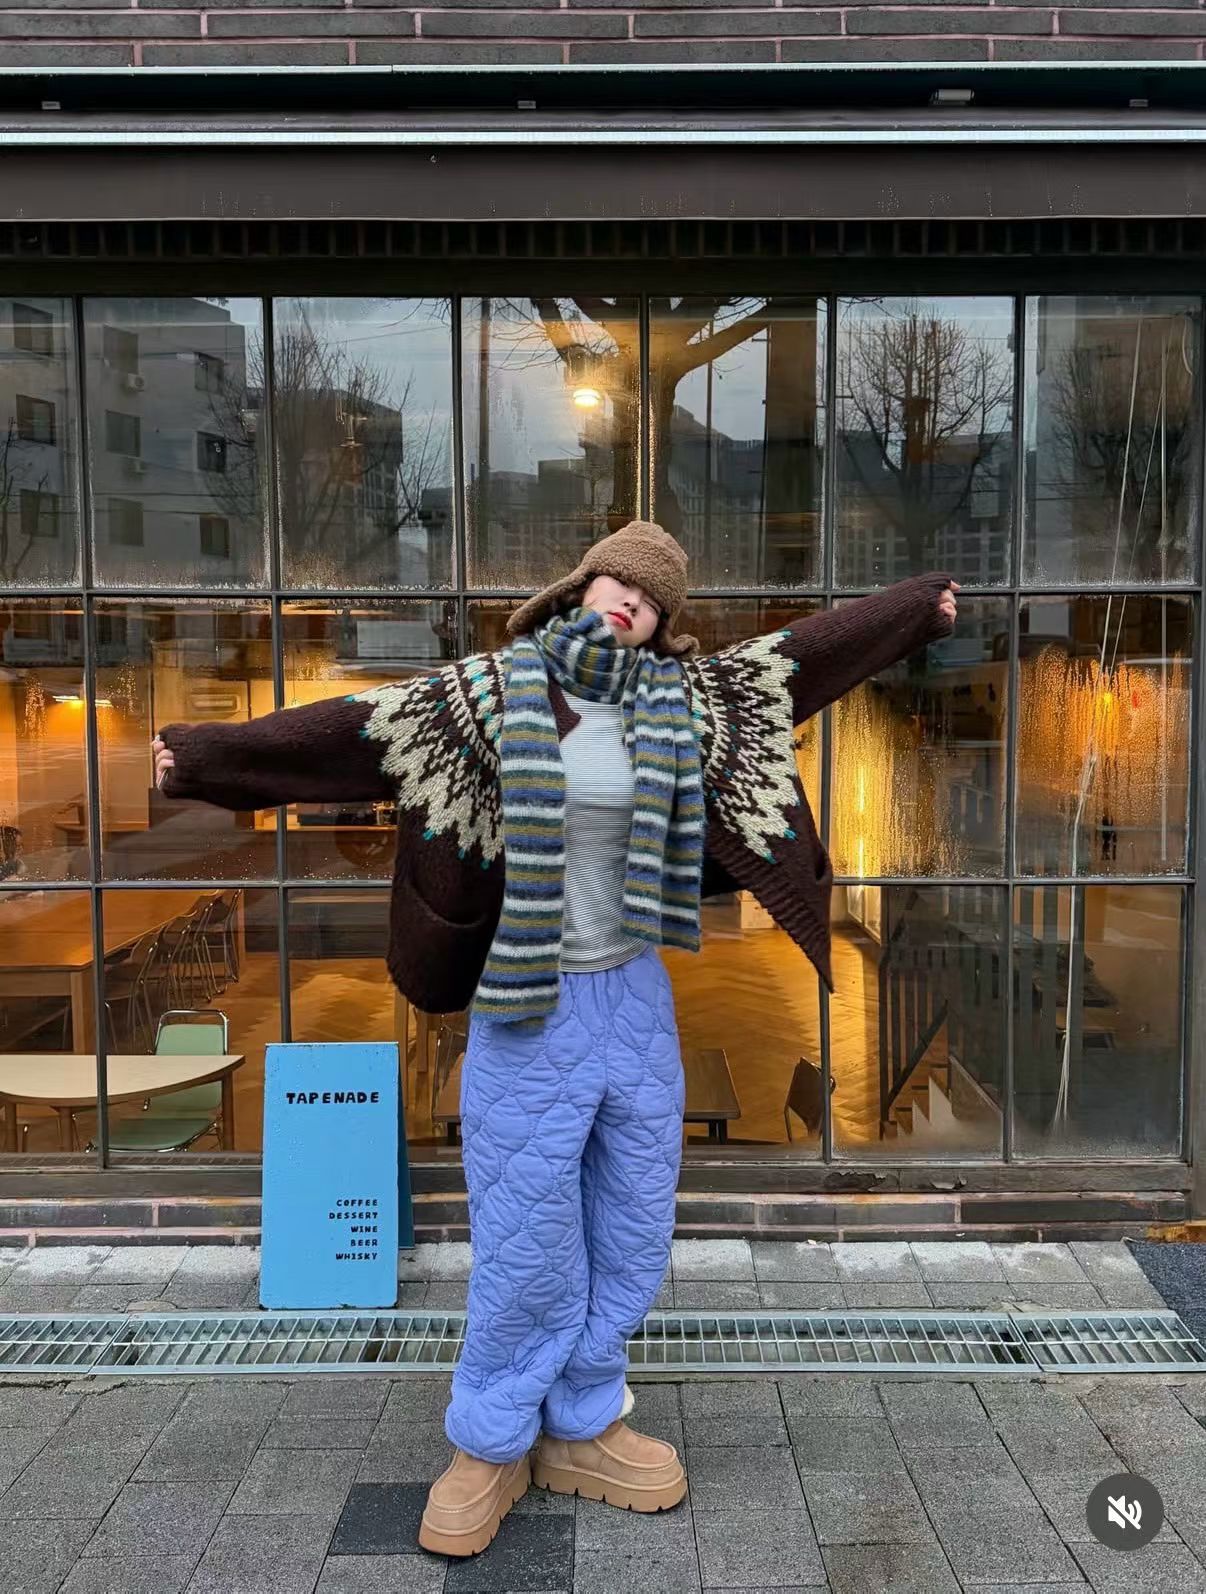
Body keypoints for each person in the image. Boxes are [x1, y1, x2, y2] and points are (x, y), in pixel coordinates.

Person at [153, 519, 958, 1558]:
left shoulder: (683, 702)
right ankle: (490, 1438)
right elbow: (347, 734)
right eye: (620, 583)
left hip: (634, 996)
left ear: (663, 624)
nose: (631, 602)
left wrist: (914, 610)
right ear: (580, 587)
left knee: (633, 1221)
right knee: (527, 1233)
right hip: (527, 998)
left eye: (653, 599)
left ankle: (583, 1420)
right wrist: (204, 758)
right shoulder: (483, 700)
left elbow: (802, 657)